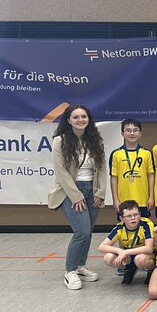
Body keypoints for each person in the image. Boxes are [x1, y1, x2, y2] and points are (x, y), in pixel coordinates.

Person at [48, 104, 106, 290]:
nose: (80, 120)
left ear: (88, 119)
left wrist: (100, 193)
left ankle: (81, 266)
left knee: (88, 231)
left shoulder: (95, 140)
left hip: (92, 190)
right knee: (81, 232)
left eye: (83, 116)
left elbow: (102, 168)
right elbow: (61, 172)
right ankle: (70, 271)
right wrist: (76, 196)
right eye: (76, 117)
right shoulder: (60, 141)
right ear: (68, 120)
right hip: (70, 191)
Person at [97, 200, 155, 285]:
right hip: (128, 255)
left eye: (136, 214)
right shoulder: (119, 228)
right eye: (129, 216)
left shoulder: (146, 224)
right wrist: (120, 251)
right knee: (108, 258)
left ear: (140, 214)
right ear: (122, 219)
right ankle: (129, 268)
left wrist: (125, 252)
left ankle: (151, 270)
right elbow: (101, 247)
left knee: (140, 259)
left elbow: (149, 248)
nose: (133, 218)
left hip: (145, 254)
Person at [109, 118, 154, 219]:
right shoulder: (116, 154)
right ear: (122, 133)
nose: (132, 133)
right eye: (128, 130)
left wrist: (151, 197)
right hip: (123, 202)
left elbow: (151, 176)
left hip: (142, 201)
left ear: (140, 133)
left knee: (143, 226)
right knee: (124, 227)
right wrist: (115, 199)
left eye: (135, 130)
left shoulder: (147, 153)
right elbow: (114, 178)